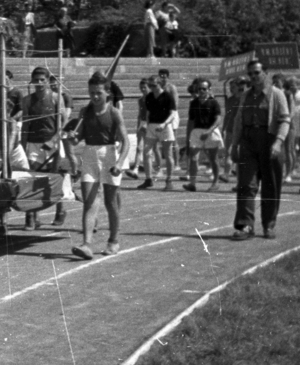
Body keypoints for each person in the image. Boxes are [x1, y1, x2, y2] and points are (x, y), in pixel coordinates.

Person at [66, 72, 129, 259]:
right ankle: (86, 244)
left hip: (109, 155)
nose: (94, 97)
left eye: (98, 93)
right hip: (90, 154)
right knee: (89, 202)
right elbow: (79, 138)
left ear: (107, 93)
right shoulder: (85, 112)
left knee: (111, 202)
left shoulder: (114, 113)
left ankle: (113, 240)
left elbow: (125, 142)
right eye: (91, 93)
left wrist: (119, 163)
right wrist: (72, 137)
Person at [228, 57, 291, 240]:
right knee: (246, 185)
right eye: (250, 74)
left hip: (269, 141)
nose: (254, 77)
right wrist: (234, 145)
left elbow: (285, 120)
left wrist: (278, 142)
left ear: (265, 73)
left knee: (270, 186)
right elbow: (239, 121)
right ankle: (245, 226)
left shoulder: (276, 94)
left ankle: (268, 225)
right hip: (248, 142)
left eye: (257, 73)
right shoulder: (246, 95)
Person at [13, 66, 71, 228]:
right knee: (32, 179)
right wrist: (23, 148)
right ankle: (31, 216)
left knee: (56, 177)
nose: (39, 83)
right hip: (33, 144)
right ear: (32, 81)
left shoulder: (55, 97)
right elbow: (25, 127)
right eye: (36, 80)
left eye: (42, 80)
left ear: (47, 81)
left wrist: (54, 139)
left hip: (53, 142)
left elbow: (64, 121)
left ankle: (60, 210)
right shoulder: (27, 100)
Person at [139, 69, 178, 190]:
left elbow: (173, 113)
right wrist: (146, 124)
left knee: (168, 154)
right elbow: (148, 112)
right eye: (150, 85)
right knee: (146, 152)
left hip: (165, 126)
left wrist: (165, 124)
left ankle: (169, 180)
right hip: (152, 126)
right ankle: (148, 178)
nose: (151, 88)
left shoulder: (167, 96)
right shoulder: (149, 96)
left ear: (159, 84)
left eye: (154, 85)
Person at [183, 77, 224, 191]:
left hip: (210, 130)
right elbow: (191, 121)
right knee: (194, 158)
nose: (201, 91)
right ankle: (192, 183)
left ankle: (215, 181)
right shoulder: (194, 103)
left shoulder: (213, 102)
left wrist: (209, 131)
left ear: (209, 89)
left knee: (213, 158)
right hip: (197, 131)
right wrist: (188, 136)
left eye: (204, 89)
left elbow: (218, 119)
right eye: (199, 89)